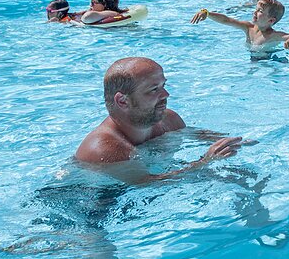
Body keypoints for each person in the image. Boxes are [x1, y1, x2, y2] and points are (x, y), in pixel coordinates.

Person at [74, 56, 245, 182]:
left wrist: (239, 141)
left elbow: (198, 135)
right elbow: (148, 184)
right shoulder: (104, 149)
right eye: (154, 89)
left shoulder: (168, 119)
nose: (166, 95)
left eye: (163, 86)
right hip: (95, 206)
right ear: (122, 101)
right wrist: (204, 162)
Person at [191, 0, 289, 60]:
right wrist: (208, 13)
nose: (255, 12)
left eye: (260, 11)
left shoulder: (272, 36)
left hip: (268, 61)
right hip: (252, 60)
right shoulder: (248, 28)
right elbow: (227, 20)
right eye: (256, 8)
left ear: (271, 20)